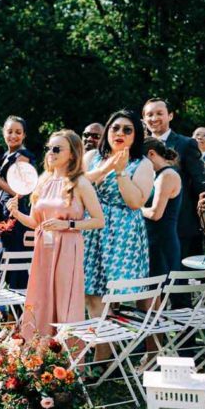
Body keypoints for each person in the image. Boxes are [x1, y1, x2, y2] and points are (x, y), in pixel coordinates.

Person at [6, 130, 103, 339]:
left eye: (57, 148)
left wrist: (67, 224)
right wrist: (15, 213)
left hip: (68, 247)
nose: (51, 152)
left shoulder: (80, 183)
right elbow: (34, 223)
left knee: (63, 297)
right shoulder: (43, 180)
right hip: (43, 249)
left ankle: (64, 356)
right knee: (40, 296)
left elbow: (98, 220)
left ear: (73, 153)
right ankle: (36, 350)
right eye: (49, 148)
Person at [82, 111, 154, 318]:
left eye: (127, 130)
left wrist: (121, 172)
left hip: (121, 232)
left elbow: (135, 203)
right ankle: (99, 345)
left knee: (110, 294)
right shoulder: (92, 157)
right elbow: (78, 184)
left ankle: (106, 345)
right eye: (115, 128)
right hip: (91, 228)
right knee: (90, 292)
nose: (119, 133)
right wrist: (107, 167)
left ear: (135, 136)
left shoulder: (142, 163)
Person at [142, 98, 205, 260]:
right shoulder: (137, 147)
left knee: (176, 279)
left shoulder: (186, 144)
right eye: (149, 114)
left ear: (170, 116)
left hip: (179, 226)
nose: (154, 118)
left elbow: (200, 183)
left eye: (159, 113)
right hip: (146, 226)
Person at [0, 116, 35, 289]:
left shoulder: (23, 157)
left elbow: (19, 191)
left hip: (17, 213)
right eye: (9, 131)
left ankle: (20, 307)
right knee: (7, 257)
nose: (13, 136)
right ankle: (10, 309)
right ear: (3, 132)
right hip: (5, 212)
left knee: (17, 260)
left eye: (18, 132)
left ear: (24, 135)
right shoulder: (5, 155)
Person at [140, 139, 182, 278]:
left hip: (162, 242)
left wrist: (136, 208)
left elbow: (155, 213)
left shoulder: (167, 175)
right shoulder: (158, 175)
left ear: (151, 154)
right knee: (153, 291)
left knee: (168, 291)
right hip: (154, 240)